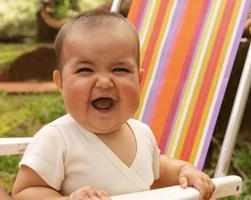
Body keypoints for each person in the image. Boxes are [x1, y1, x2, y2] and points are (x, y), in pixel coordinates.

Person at [12, 10, 215, 200]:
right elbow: (24, 193)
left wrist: (183, 171)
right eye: (85, 70)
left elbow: (157, 171)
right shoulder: (57, 138)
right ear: (60, 82)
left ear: (139, 79)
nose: (104, 82)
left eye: (119, 69)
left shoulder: (142, 133)